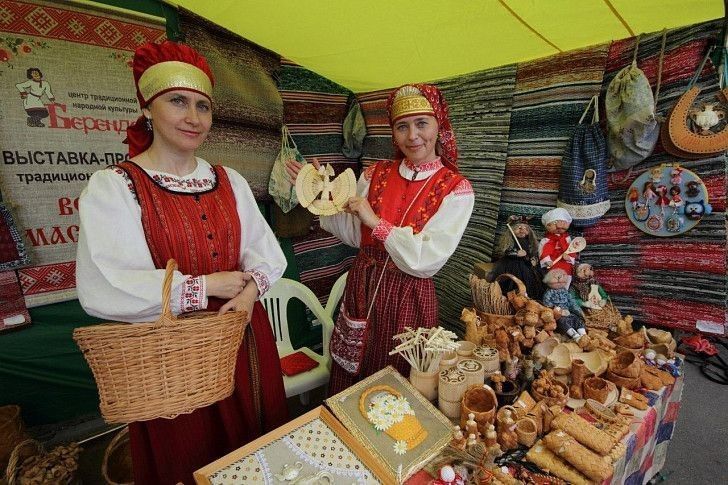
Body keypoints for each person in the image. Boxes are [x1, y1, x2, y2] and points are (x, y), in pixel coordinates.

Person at [75, 41, 288, 484]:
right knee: (189, 452)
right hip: (171, 355)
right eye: (177, 101)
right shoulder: (115, 187)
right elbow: (107, 284)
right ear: (147, 109)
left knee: (256, 443)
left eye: (202, 106)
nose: (194, 117)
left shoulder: (228, 180)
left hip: (242, 334)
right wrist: (205, 286)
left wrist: (250, 292)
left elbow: (265, 252)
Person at [288, 84, 474, 394]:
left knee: (399, 375)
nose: (412, 136)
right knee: (353, 367)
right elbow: (353, 232)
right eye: (402, 127)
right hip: (363, 283)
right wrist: (320, 192)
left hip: (409, 294)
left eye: (421, 123)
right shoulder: (375, 175)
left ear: (438, 125)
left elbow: (426, 260)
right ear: (393, 133)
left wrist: (376, 222)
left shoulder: (456, 189)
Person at [489, 215, 544, 300]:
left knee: (532, 279)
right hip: (512, 264)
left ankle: (526, 298)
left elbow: (533, 253)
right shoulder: (510, 241)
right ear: (512, 229)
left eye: (526, 228)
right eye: (519, 228)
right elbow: (507, 252)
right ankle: (511, 297)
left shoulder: (530, 242)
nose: (522, 230)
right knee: (512, 282)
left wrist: (533, 259)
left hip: (527, 264)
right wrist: (516, 253)